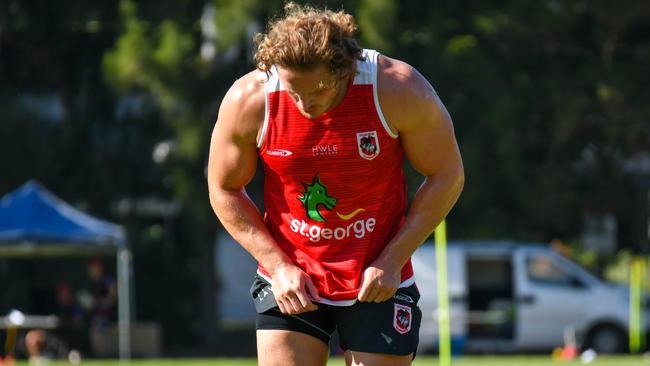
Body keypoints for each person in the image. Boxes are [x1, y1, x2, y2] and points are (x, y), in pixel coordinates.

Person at [207, 3, 464, 366]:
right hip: (291, 275)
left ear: (344, 70)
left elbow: (447, 174)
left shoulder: (397, 89)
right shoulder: (250, 100)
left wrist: (393, 259)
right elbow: (223, 188)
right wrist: (277, 267)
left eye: (316, 92)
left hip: (377, 276)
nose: (303, 104)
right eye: (294, 92)